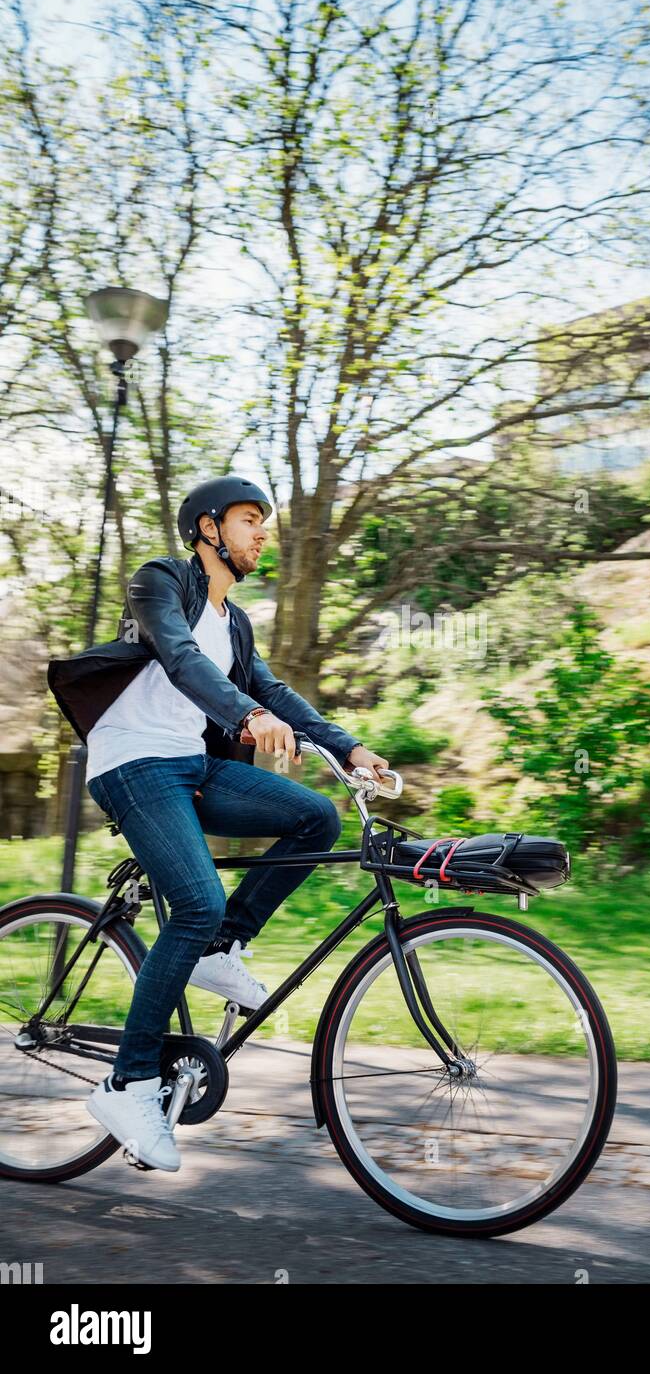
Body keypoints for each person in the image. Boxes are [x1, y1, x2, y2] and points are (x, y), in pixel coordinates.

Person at [47, 475, 387, 1173]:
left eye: (264, 521)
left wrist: (348, 746)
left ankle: (217, 950)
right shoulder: (160, 583)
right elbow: (179, 656)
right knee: (196, 902)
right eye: (247, 519)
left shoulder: (234, 620)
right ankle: (129, 1084)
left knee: (313, 817)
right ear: (208, 527)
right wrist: (246, 717)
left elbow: (272, 689)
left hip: (189, 766)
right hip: (133, 766)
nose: (262, 532)